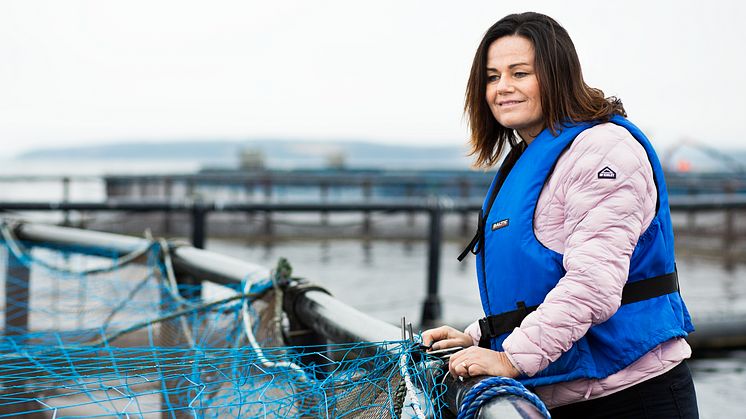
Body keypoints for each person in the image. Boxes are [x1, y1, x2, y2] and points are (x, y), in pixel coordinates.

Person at [422, 12, 699, 418]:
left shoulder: (604, 151)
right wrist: (480, 339)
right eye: (492, 76)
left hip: (629, 396)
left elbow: (593, 285)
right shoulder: (531, 157)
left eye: (519, 73)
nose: (503, 88)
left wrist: (510, 359)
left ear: (556, 75)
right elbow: (537, 286)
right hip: (561, 390)